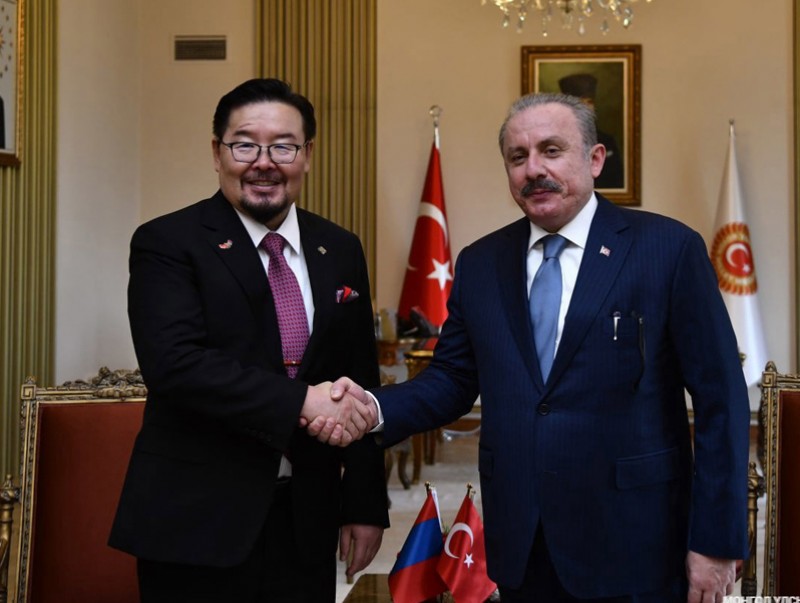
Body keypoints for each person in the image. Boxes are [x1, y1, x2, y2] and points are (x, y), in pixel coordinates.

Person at [321, 92, 750, 602]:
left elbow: (722, 400)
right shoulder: (481, 263)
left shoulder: (668, 249)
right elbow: (451, 380)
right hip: (523, 542)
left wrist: (716, 541)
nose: (533, 170)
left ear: (595, 159)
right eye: (518, 157)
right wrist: (371, 408)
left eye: (551, 150)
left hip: (637, 541)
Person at [109, 78, 388, 603]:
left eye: (283, 146)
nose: (264, 163)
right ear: (217, 152)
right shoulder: (167, 242)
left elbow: (360, 378)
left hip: (306, 520)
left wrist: (364, 504)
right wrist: (301, 400)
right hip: (197, 521)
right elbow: (175, 365)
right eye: (244, 145)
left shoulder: (340, 248)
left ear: (307, 155)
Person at [558, 73, 624, 190]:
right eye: (580, 103)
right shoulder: (555, 140)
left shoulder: (607, 141)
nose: (586, 108)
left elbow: (616, 182)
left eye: (589, 102)